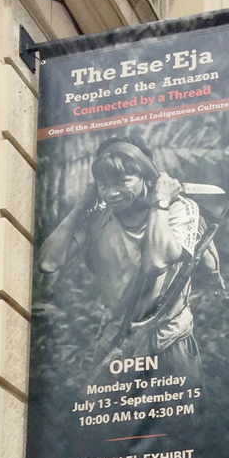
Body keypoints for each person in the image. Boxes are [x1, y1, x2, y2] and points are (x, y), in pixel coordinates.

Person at [37, 135, 203, 380]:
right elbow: (48, 262)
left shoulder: (178, 209)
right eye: (104, 185)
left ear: (147, 176)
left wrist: (161, 201)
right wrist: (82, 205)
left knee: (175, 416)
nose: (111, 193)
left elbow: (156, 262)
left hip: (168, 342)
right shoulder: (98, 219)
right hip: (115, 344)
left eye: (122, 181)